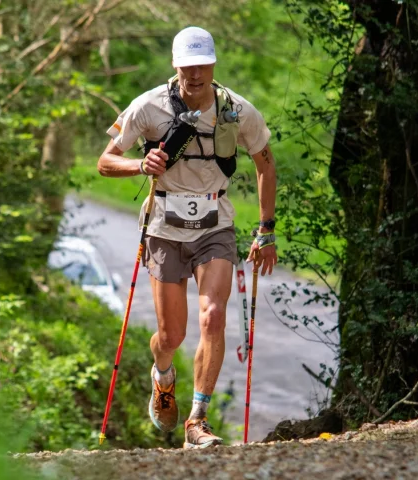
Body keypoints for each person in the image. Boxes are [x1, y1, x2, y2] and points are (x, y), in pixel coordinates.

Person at [97, 26, 277, 449]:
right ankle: (163, 374)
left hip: (216, 224)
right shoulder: (148, 106)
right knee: (171, 336)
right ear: (175, 66)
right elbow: (105, 162)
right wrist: (140, 166)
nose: (195, 74)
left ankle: (198, 420)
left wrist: (266, 229)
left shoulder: (237, 110)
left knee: (213, 317)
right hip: (164, 228)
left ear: (213, 65)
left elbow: (266, 165)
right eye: (187, 67)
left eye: (203, 66)